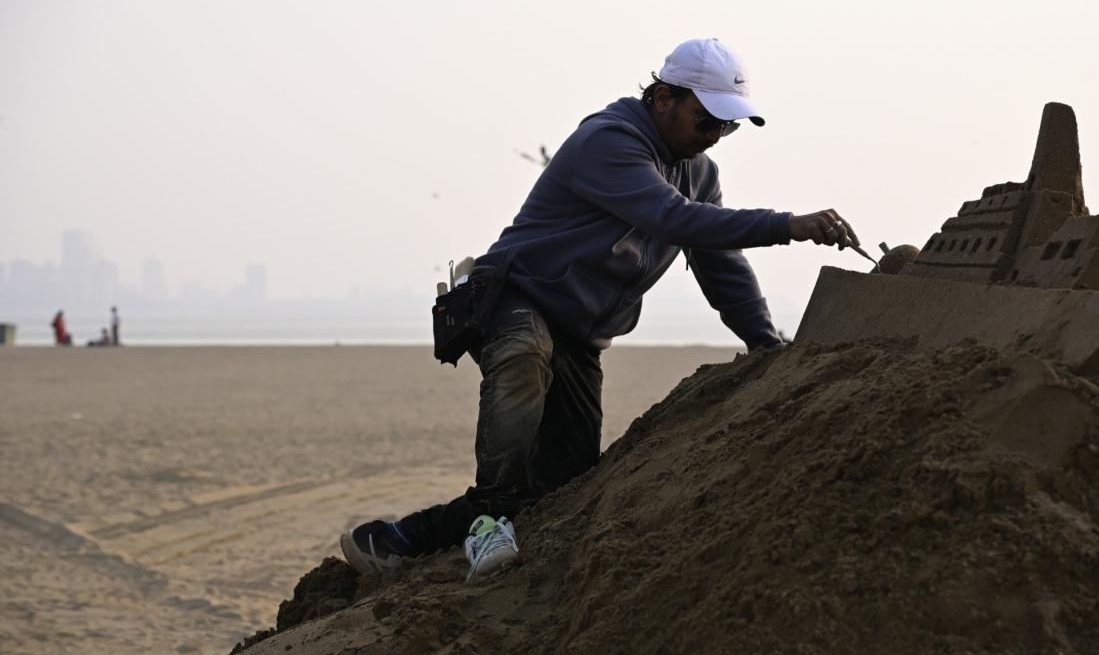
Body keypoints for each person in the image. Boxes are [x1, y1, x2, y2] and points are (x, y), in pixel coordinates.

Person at [340, 38, 859, 581]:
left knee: (565, 485)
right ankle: (485, 516)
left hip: (580, 333)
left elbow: (719, 264)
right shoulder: (609, 140)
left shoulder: (699, 172)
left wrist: (767, 346)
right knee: (522, 358)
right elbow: (675, 219)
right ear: (663, 98)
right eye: (708, 122)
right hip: (515, 294)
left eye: (727, 128)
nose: (716, 138)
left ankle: (394, 539)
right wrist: (786, 225)